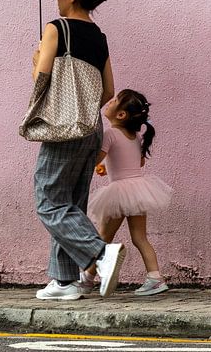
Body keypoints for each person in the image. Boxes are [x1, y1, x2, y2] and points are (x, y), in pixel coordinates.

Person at [31, 0, 126, 301]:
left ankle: (101, 254)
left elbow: (41, 82)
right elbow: (108, 90)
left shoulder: (56, 29)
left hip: (64, 129)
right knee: (70, 203)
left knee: (48, 200)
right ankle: (64, 280)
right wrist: (84, 111)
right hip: (90, 128)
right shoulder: (99, 36)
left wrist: (36, 60)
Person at [83, 89, 173, 296]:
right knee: (140, 237)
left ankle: (87, 279)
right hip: (138, 190)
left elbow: (96, 158)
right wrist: (109, 167)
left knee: (103, 237)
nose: (109, 101)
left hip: (120, 192)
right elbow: (137, 162)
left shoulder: (111, 134)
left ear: (121, 114)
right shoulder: (135, 136)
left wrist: (90, 164)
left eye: (113, 100)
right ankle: (155, 278)